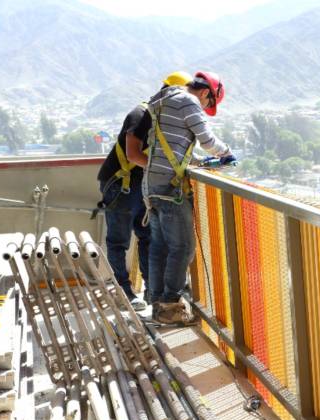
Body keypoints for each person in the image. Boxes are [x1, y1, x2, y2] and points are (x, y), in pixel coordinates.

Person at [143, 71, 236, 325]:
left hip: (151, 184)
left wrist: (197, 162)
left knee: (160, 247)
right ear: (206, 93)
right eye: (209, 104)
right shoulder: (188, 102)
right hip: (170, 188)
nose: (205, 109)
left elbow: (170, 146)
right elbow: (207, 140)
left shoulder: (161, 100)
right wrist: (227, 154)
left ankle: (158, 304)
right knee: (182, 247)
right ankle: (171, 307)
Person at [96, 71, 193, 311]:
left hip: (141, 185)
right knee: (118, 241)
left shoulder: (161, 116)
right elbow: (133, 155)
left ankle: (152, 292)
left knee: (148, 237)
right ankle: (124, 292)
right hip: (121, 184)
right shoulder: (141, 114)